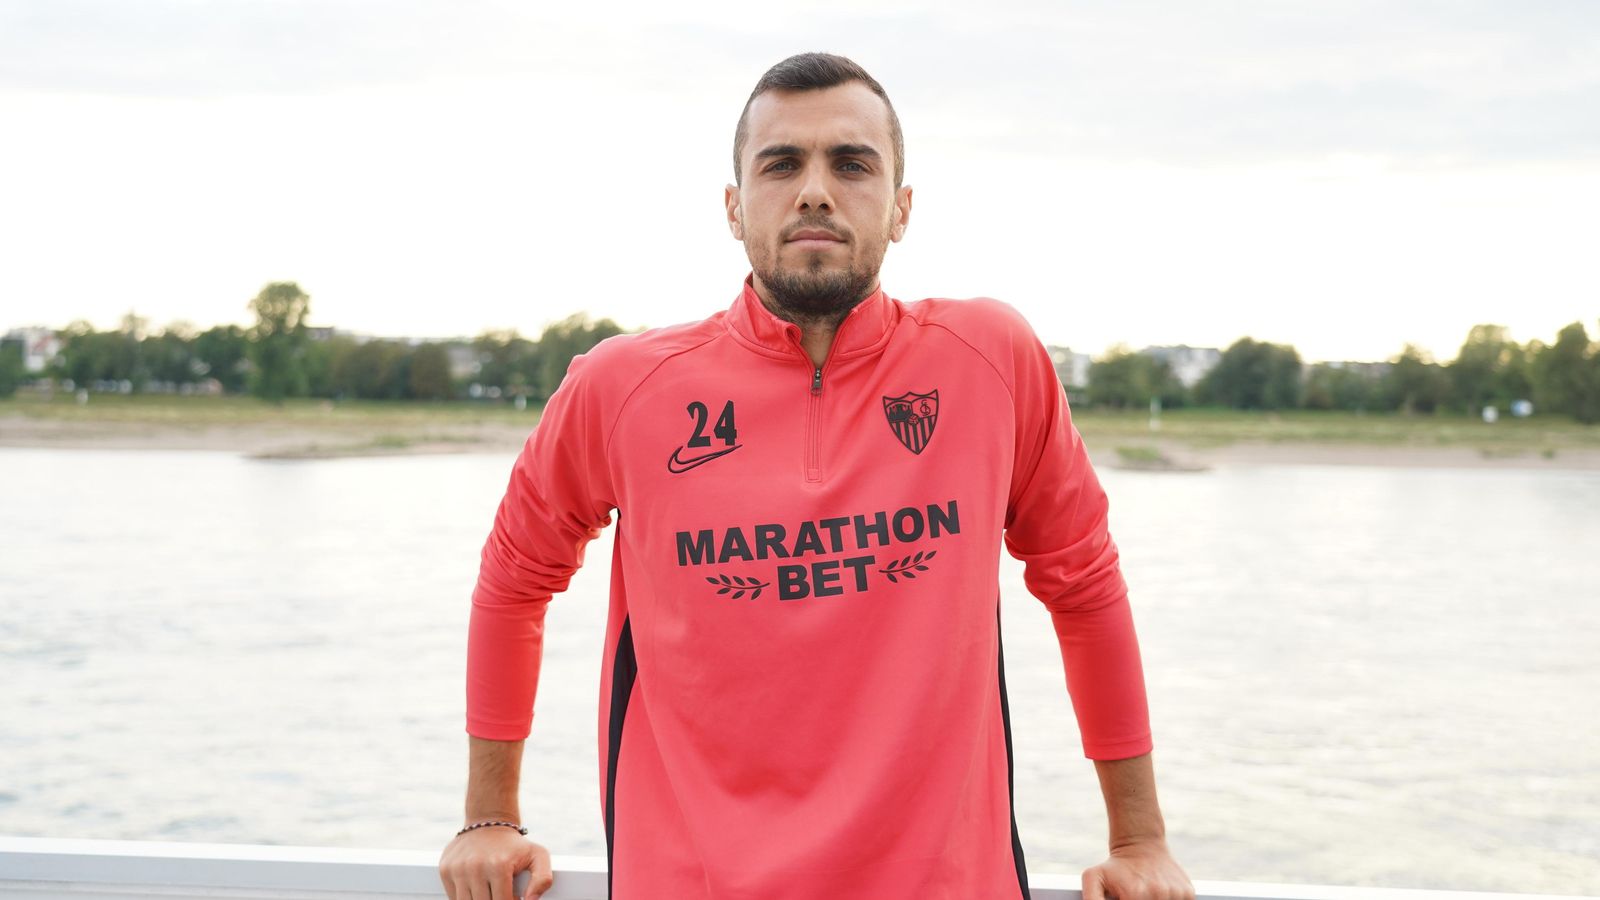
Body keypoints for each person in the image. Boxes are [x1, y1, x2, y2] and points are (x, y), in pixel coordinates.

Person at [439, 52, 1193, 900]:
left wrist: (1138, 838)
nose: (815, 191)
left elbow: (1084, 584)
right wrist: (488, 816)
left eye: (852, 163)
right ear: (734, 207)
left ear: (902, 207)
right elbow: (512, 580)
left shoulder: (991, 361)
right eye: (781, 163)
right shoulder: (623, 388)